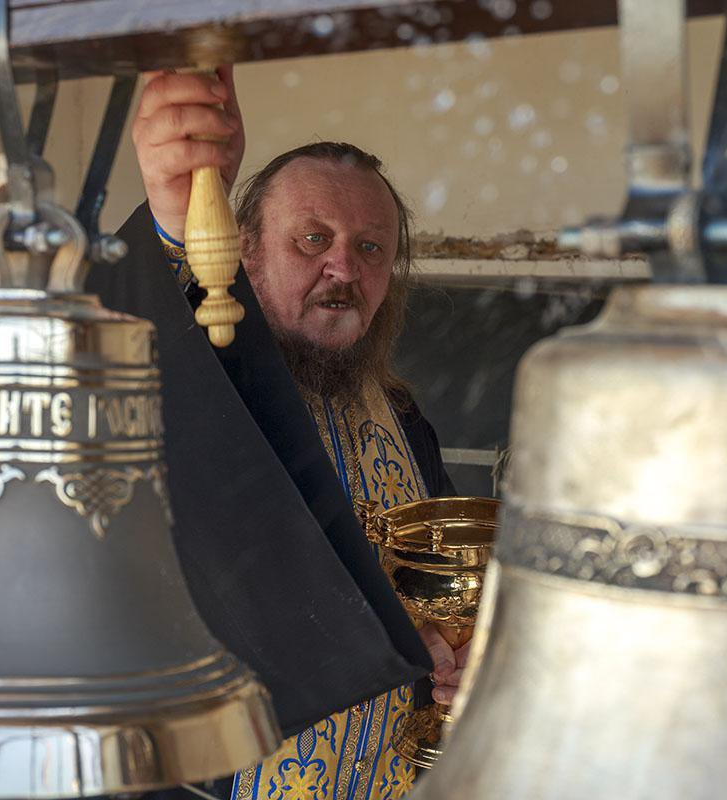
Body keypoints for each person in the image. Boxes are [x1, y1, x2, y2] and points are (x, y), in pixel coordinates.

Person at [95, 68, 466, 800]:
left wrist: (464, 652)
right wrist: (180, 206)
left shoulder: (403, 419)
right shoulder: (207, 385)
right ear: (246, 250)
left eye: (370, 248)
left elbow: (443, 586)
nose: (343, 267)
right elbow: (153, 343)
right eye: (312, 238)